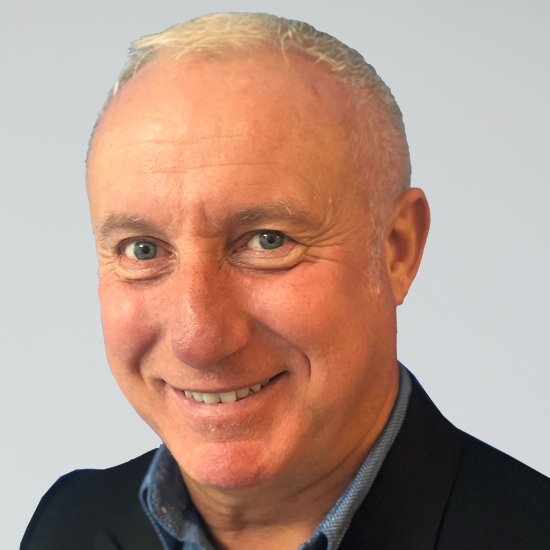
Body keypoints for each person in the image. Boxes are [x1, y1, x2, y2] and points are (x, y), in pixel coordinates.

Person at [21, 12, 550, 550]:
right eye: (144, 250)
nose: (198, 340)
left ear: (397, 250)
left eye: (267, 241)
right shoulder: (68, 525)